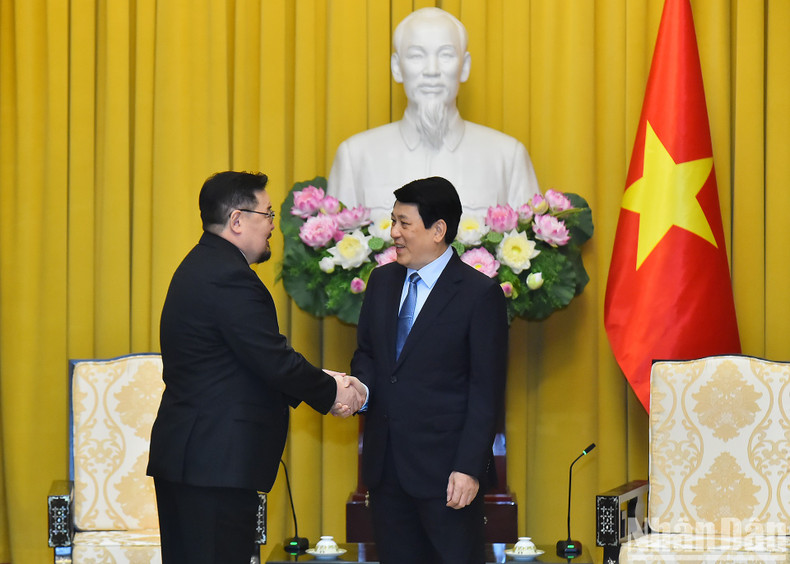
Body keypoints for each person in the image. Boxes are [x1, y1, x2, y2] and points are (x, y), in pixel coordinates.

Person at [147, 171, 366, 564]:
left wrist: (322, 380)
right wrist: (333, 392)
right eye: (266, 214)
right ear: (236, 220)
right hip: (214, 466)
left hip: (197, 461)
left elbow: (246, 364)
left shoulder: (203, 266)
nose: (271, 227)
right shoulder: (229, 277)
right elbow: (273, 361)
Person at [351, 176, 509, 564]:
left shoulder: (479, 294)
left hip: (447, 477)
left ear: (439, 230)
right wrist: (360, 391)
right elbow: (367, 355)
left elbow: (485, 389)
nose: (394, 233)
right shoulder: (382, 281)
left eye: (405, 223)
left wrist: (469, 468)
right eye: (393, 222)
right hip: (386, 472)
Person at [327, 7, 541, 217]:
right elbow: (333, 248)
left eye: (446, 55)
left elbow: (530, 246)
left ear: (464, 66)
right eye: (416, 56)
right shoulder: (355, 157)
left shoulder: (507, 157)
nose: (432, 71)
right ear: (396, 67)